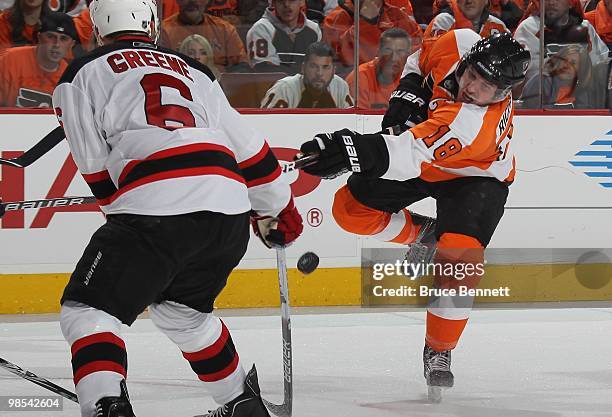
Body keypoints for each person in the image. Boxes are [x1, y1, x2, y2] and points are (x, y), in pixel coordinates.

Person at [52, 0, 303, 416]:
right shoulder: (195, 71)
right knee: (182, 314)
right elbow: (252, 150)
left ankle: (106, 406)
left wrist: (130, 216)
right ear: (151, 23)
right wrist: (276, 208)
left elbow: (94, 164)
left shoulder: (81, 73)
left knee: (89, 310)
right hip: (227, 211)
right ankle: (241, 404)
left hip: (156, 208)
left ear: (96, 30)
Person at [297, 29, 530, 396]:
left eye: (486, 87)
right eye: (471, 74)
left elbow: (406, 156)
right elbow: (418, 59)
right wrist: (411, 89)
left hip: (474, 176)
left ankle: (439, 349)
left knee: (460, 260)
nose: (472, 86)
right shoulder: (458, 41)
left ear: (504, 93)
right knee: (349, 209)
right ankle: (424, 234)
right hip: (425, 154)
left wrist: (349, 149)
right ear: (468, 59)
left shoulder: (472, 124)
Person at [514, 0, 609, 82]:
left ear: (571, 3)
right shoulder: (528, 27)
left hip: (582, 97)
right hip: (542, 96)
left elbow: (600, 65)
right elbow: (526, 76)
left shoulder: (585, 27)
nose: (551, 2)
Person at [0, 11, 76, 107]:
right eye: (51, 36)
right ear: (39, 37)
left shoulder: (69, 77)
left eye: (63, 39)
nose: (57, 44)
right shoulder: (9, 60)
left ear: (72, 44)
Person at [321, 0, 422, 71]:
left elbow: (418, 49)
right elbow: (348, 60)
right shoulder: (335, 19)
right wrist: (367, 22)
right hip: (358, 86)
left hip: (396, 82)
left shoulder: (396, 14)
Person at [160, 0, 249, 72]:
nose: (192, 2)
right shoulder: (163, 31)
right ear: (177, 1)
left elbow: (242, 66)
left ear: (207, 1)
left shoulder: (225, 29)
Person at [261, 41, 353, 107]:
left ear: (333, 71)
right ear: (303, 68)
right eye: (313, 66)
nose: (319, 73)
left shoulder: (340, 86)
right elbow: (265, 125)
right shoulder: (283, 89)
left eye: (325, 67)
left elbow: (351, 123)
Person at [246, 0, 322, 74]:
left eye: (292, 0)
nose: (286, 4)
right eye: (280, 1)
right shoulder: (261, 28)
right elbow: (265, 70)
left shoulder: (314, 29)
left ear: (302, 2)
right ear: (274, 3)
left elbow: (319, 67)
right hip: (271, 86)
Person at [520, 43, 605, 108]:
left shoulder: (585, 88)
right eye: (564, 60)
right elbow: (531, 112)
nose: (566, 65)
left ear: (581, 68)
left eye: (573, 63)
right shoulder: (541, 81)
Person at [345, 28, 412, 109]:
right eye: (388, 50)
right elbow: (359, 119)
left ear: (408, 55)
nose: (393, 58)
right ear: (378, 51)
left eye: (400, 52)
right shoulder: (359, 78)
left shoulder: (411, 78)